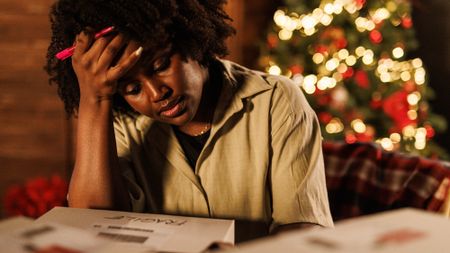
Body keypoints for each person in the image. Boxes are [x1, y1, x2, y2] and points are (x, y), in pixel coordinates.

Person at [45, 0, 334, 242]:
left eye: (161, 65)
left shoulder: (276, 101)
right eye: (133, 89)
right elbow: (92, 228)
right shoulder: (121, 122)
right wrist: (95, 99)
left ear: (191, 41)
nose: (157, 93)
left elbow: (304, 232)